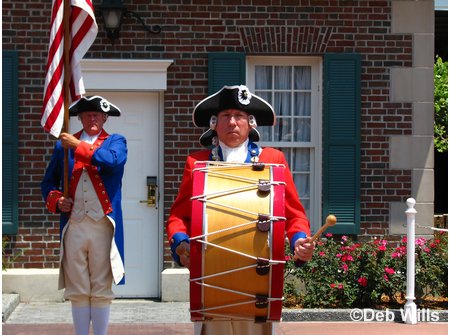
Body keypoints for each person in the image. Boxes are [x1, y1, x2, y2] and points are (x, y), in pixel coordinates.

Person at [166, 85, 315, 335]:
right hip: (210, 278)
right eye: (226, 116)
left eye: (239, 116)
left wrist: (300, 241)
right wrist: (180, 244)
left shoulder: (273, 160)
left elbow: (294, 215)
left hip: (259, 278)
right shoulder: (197, 163)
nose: (232, 122)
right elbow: (178, 217)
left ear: (251, 123)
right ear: (214, 123)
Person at [41, 96, 127, 335]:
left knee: (101, 286)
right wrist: (57, 200)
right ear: (79, 117)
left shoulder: (115, 142)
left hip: (102, 224)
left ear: (105, 118)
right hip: (75, 225)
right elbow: (47, 183)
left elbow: (112, 161)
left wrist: (77, 146)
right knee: (77, 286)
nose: (93, 118)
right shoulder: (63, 146)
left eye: (97, 115)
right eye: (88, 114)